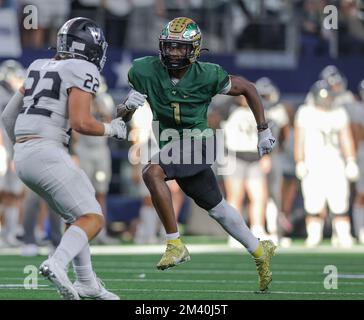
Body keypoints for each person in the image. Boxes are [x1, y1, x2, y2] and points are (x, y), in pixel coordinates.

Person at [117, 17, 277, 292]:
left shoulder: (207, 74)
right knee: (218, 210)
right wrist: (126, 107)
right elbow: (121, 117)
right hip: (173, 146)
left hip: (200, 143)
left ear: (194, 49)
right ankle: (259, 250)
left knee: (152, 171)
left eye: (180, 48)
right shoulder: (143, 70)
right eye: (169, 47)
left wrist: (262, 129)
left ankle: (174, 243)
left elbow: (249, 88)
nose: (174, 53)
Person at [1, 17, 125, 300]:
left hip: (24, 154)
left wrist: (22, 146)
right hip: (47, 150)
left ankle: (87, 282)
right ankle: (57, 263)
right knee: (93, 218)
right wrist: (112, 129)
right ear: (88, 48)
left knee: (77, 211)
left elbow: (8, 116)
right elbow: (81, 123)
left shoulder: (36, 65)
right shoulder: (81, 68)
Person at [295, 80, 359, 248]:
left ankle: (343, 234)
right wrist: (299, 161)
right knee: (313, 202)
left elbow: (346, 138)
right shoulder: (305, 112)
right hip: (313, 163)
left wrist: (351, 160)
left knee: (339, 202)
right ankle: (314, 235)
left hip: (334, 162)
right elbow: (299, 140)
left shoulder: (338, 113)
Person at [223, 95, 271, 246]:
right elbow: (213, 117)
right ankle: (235, 232)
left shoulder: (260, 110)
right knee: (235, 196)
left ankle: (258, 229)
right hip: (234, 155)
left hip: (255, 156)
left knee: (259, 196)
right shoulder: (228, 108)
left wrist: (266, 155)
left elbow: (267, 134)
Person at [0, 60, 26, 247]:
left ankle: (10, 233)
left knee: (14, 192)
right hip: (3, 147)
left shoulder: (19, 96)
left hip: (14, 146)